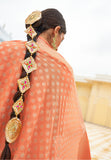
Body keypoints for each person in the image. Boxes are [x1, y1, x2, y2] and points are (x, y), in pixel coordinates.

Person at [0, 8, 91, 160]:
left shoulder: (4, 50)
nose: (59, 45)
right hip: (34, 152)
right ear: (56, 31)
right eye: (62, 39)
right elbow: (68, 127)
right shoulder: (63, 69)